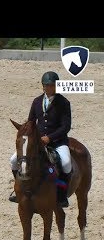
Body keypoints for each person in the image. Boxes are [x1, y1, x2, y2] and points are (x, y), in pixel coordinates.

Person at [9, 71, 72, 207]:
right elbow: (31, 122)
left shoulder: (64, 103)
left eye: (52, 86)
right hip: (37, 142)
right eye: (46, 85)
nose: (49, 88)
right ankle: (18, 190)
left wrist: (50, 138)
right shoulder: (37, 101)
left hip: (58, 142)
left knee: (66, 163)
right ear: (43, 86)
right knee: (14, 160)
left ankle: (62, 195)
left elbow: (66, 126)